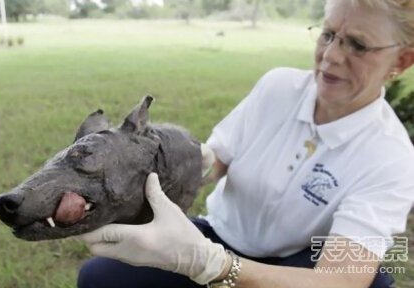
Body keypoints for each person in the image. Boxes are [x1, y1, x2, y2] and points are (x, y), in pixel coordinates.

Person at [77, 0, 414, 287]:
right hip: (217, 236)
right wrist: (167, 165)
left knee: (374, 278)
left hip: (297, 262)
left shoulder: (392, 157)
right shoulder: (278, 87)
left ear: (400, 62)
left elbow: (341, 280)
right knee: (99, 277)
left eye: (356, 44)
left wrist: (213, 266)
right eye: (327, 34)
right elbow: (216, 160)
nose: (331, 56)